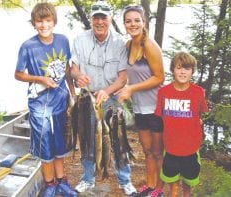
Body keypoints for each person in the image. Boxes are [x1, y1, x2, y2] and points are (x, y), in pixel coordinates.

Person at [69, 0, 137, 196]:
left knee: (118, 142)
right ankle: (87, 178)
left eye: (103, 17)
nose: (100, 21)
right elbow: (73, 67)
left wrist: (107, 91)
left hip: (111, 99)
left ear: (110, 19)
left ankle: (125, 181)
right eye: (96, 17)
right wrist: (78, 76)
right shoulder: (80, 39)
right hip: (87, 99)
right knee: (87, 139)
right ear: (91, 19)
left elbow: (123, 77)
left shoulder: (120, 43)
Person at [14, 3, 77, 197]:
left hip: (61, 102)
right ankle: (49, 184)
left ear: (54, 22)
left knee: (60, 144)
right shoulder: (28, 46)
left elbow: (67, 70)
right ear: (34, 23)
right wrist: (40, 78)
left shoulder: (63, 41)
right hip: (39, 105)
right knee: (45, 146)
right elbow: (18, 74)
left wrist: (73, 94)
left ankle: (61, 182)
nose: (44, 25)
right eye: (39, 21)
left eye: (47, 20)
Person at [117, 5, 165, 197]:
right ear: (124, 24)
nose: (133, 24)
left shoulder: (149, 46)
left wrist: (131, 88)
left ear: (143, 22)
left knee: (157, 152)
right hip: (139, 108)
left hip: (156, 107)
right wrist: (122, 87)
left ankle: (160, 190)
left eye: (137, 20)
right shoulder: (129, 45)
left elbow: (159, 77)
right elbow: (129, 75)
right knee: (147, 150)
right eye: (128, 21)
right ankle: (150, 185)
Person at [154, 52, 209, 197]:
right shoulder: (163, 92)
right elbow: (159, 118)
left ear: (192, 71)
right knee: (173, 184)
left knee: (188, 186)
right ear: (172, 69)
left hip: (191, 148)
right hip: (171, 147)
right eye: (179, 68)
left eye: (187, 68)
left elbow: (201, 114)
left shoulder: (198, 92)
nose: (183, 72)